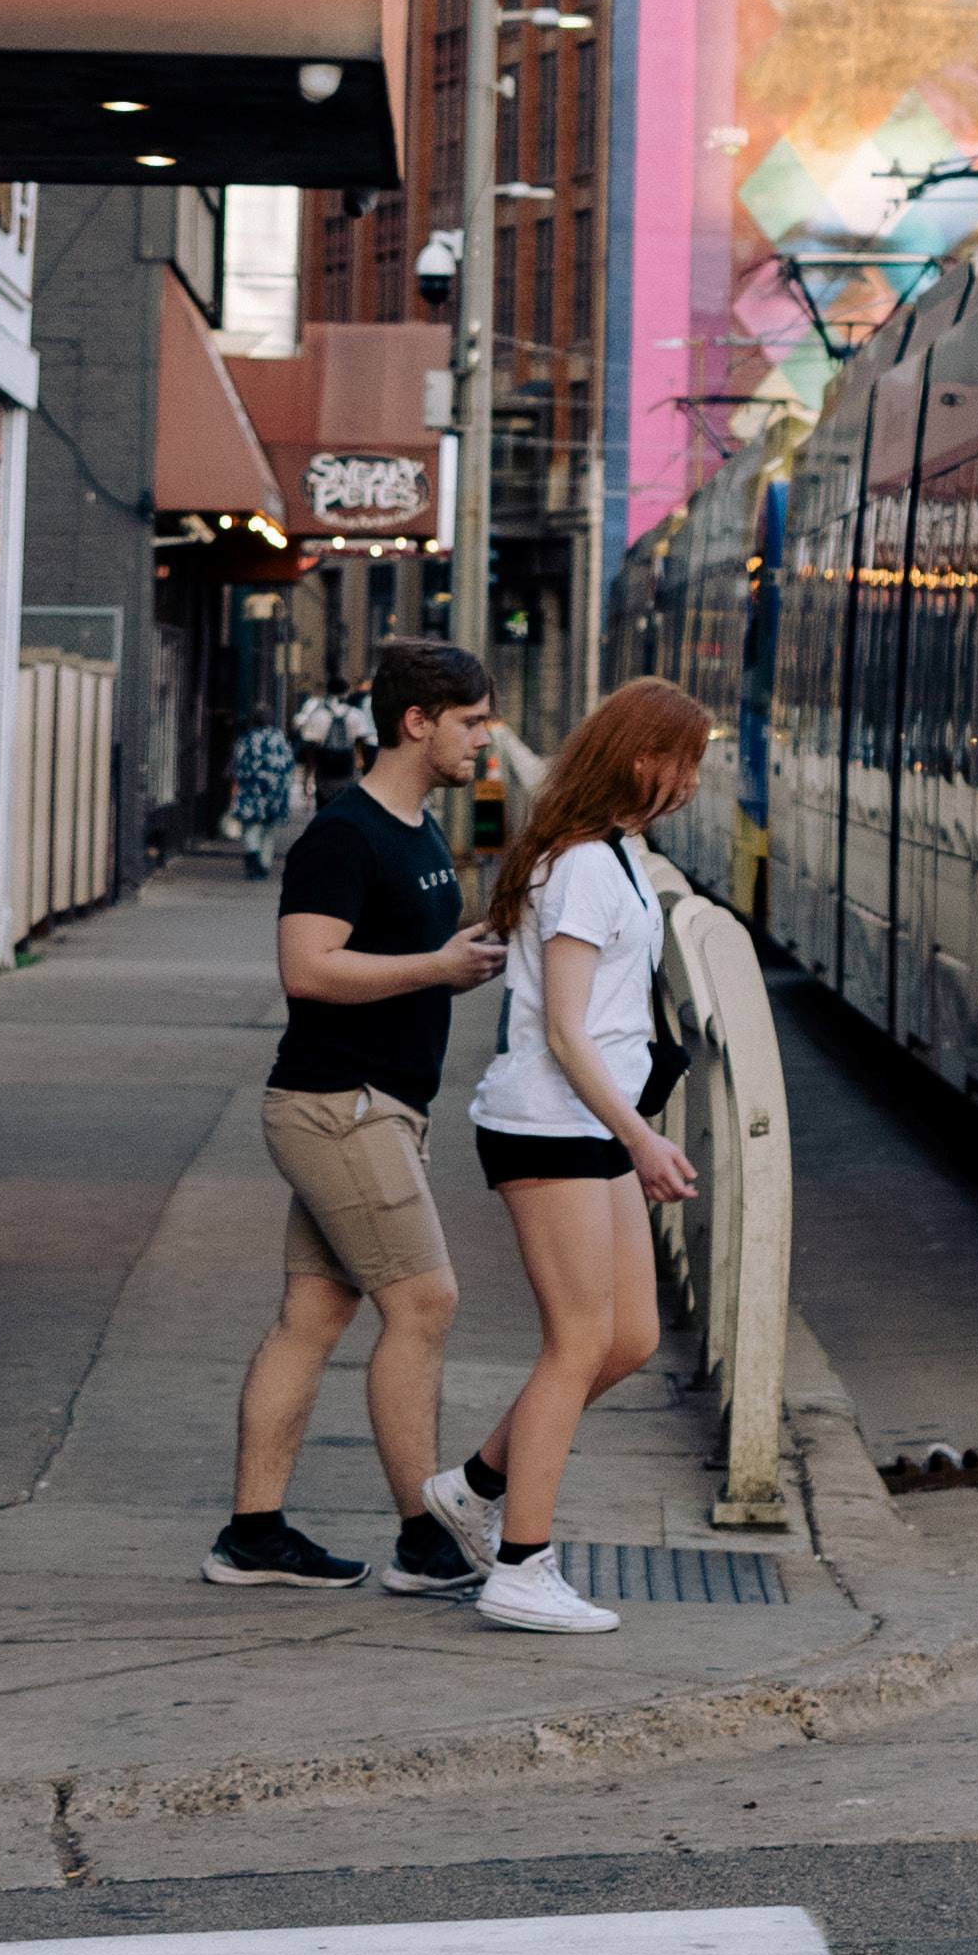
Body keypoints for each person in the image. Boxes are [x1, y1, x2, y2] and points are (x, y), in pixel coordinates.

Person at [212, 643, 511, 1597]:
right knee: (426, 1302)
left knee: (313, 1315)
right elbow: (307, 967)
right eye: (471, 720)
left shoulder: (419, 831)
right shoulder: (345, 834)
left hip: (373, 1108)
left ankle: (252, 1534)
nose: (486, 736)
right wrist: (436, 968)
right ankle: (425, 1538)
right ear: (417, 722)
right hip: (342, 1108)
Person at [456, 682, 717, 1631]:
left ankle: (478, 1482)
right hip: (550, 1124)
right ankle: (521, 1567)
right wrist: (644, 1136)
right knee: (577, 1340)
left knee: (631, 1337)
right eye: (680, 760)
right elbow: (565, 1029)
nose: (688, 782)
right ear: (637, 755)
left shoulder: (617, 851)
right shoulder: (581, 866)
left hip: (590, 1123)